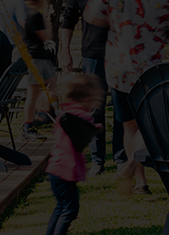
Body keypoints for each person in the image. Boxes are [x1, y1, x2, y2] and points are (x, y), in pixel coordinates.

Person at [85, 0, 169, 195]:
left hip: (118, 70)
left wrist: (117, 22)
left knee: (129, 126)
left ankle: (139, 180)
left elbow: (90, 14)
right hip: (150, 72)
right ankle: (133, 167)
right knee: (147, 125)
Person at [60, 0, 127, 176]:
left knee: (121, 109)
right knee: (94, 110)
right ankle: (97, 159)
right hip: (92, 55)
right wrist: (65, 50)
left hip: (121, 56)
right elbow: (68, 19)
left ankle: (121, 157)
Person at [43, 74, 106, 235]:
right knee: (70, 210)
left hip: (55, 170)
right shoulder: (77, 116)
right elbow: (83, 130)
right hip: (65, 171)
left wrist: (94, 127)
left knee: (61, 207)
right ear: (86, 97)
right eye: (92, 100)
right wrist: (95, 128)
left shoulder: (65, 114)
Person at [20, 0, 58, 140]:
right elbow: (43, 36)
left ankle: (57, 120)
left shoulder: (27, 13)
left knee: (55, 88)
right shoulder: (35, 15)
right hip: (36, 60)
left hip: (40, 58)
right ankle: (28, 126)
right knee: (33, 94)